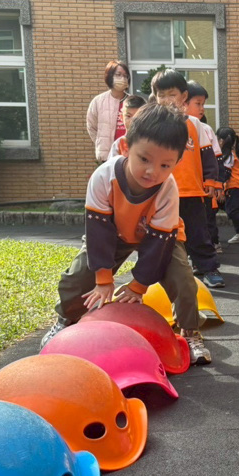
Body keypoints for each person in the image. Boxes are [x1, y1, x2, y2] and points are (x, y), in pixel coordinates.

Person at [41, 102, 211, 364]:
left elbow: (159, 242)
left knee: (184, 282)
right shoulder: (103, 177)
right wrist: (103, 279)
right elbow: (98, 230)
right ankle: (66, 319)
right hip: (114, 234)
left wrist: (138, 286)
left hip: (160, 237)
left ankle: (190, 331)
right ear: (125, 148)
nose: (153, 172)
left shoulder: (167, 189)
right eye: (144, 159)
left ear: (177, 163)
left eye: (165, 165)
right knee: (76, 277)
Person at [152, 70, 226, 288]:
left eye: (172, 94)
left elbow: (207, 155)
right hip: (161, 192)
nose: (166, 100)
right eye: (161, 95)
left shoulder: (194, 124)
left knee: (198, 233)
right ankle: (159, 272)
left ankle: (209, 268)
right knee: (162, 234)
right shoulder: (152, 124)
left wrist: (211, 181)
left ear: (184, 96)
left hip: (191, 191)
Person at [185, 80, 223, 253]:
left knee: (204, 221)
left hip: (202, 187)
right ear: (184, 101)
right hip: (183, 186)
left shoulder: (205, 129)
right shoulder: (173, 126)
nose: (202, 109)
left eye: (203, 104)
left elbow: (215, 157)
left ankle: (208, 249)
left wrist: (216, 183)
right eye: (198, 104)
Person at [87, 60, 130, 164]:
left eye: (125, 76)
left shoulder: (134, 101)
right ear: (110, 76)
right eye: (118, 75)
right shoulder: (98, 101)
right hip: (106, 157)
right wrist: (101, 144)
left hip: (129, 155)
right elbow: (91, 127)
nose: (122, 78)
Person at [106, 95, 147, 160]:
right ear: (121, 117)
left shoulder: (152, 142)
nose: (133, 121)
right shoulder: (119, 144)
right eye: (128, 116)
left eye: (138, 116)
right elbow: (112, 165)